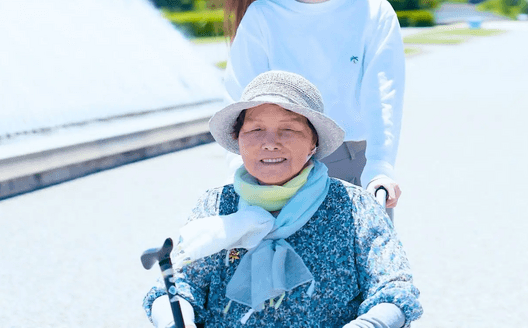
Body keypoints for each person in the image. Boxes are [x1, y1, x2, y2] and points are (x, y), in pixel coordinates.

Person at [143, 71, 422, 328]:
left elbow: (395, 289)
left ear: (313, 143)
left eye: (289, 130)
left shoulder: (353, 206)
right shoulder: (215, 206)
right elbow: (177, 286)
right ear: (238, 139)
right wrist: (174, 321)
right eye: (255, 130)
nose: (271, 142)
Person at [220, 0, 404, 208]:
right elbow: (240, 98)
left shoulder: (375, 12)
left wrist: (379, 167)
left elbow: (384, 99)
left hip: (353, 166)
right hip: (277, 170)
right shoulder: (263, 16)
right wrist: (241, 172)